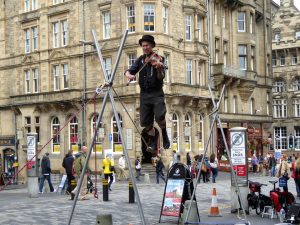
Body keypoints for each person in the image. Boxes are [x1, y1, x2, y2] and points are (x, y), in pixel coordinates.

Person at [125, 35, 170, 151]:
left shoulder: (159, 59)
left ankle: (164, 134)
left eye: (147, 45)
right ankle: (154, 141)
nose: (145, 47)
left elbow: (160, 77)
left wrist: (159, 68)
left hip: (156, 93)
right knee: (145, 122)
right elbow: (129, 71)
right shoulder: (140, 60)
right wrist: (129, 75)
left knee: (160, 116)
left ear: (152, 46)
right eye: (143, 45)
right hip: (144, 94)